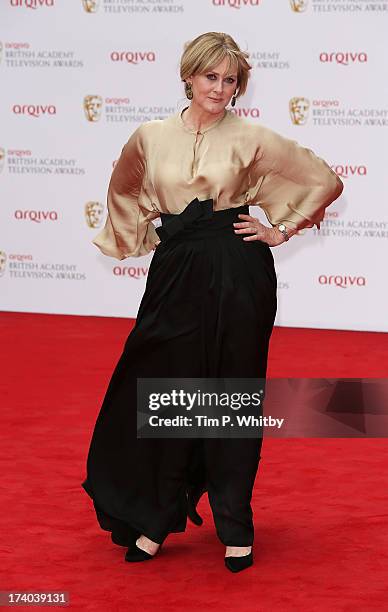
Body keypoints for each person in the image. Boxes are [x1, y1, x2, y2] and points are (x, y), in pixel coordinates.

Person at [81, 31, 344, 573]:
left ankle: (234, 521)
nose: (220, 89)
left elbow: (322, 179)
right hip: (177, 274)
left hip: (237, 271)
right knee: (165, 393)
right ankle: (157, 515)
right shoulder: (150, 136)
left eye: (230, 80)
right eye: (211, 77)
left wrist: (281, 229)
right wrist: (157, 237)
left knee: (230, 393)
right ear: (189, 76)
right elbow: (123, 193)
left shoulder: (251, 137)